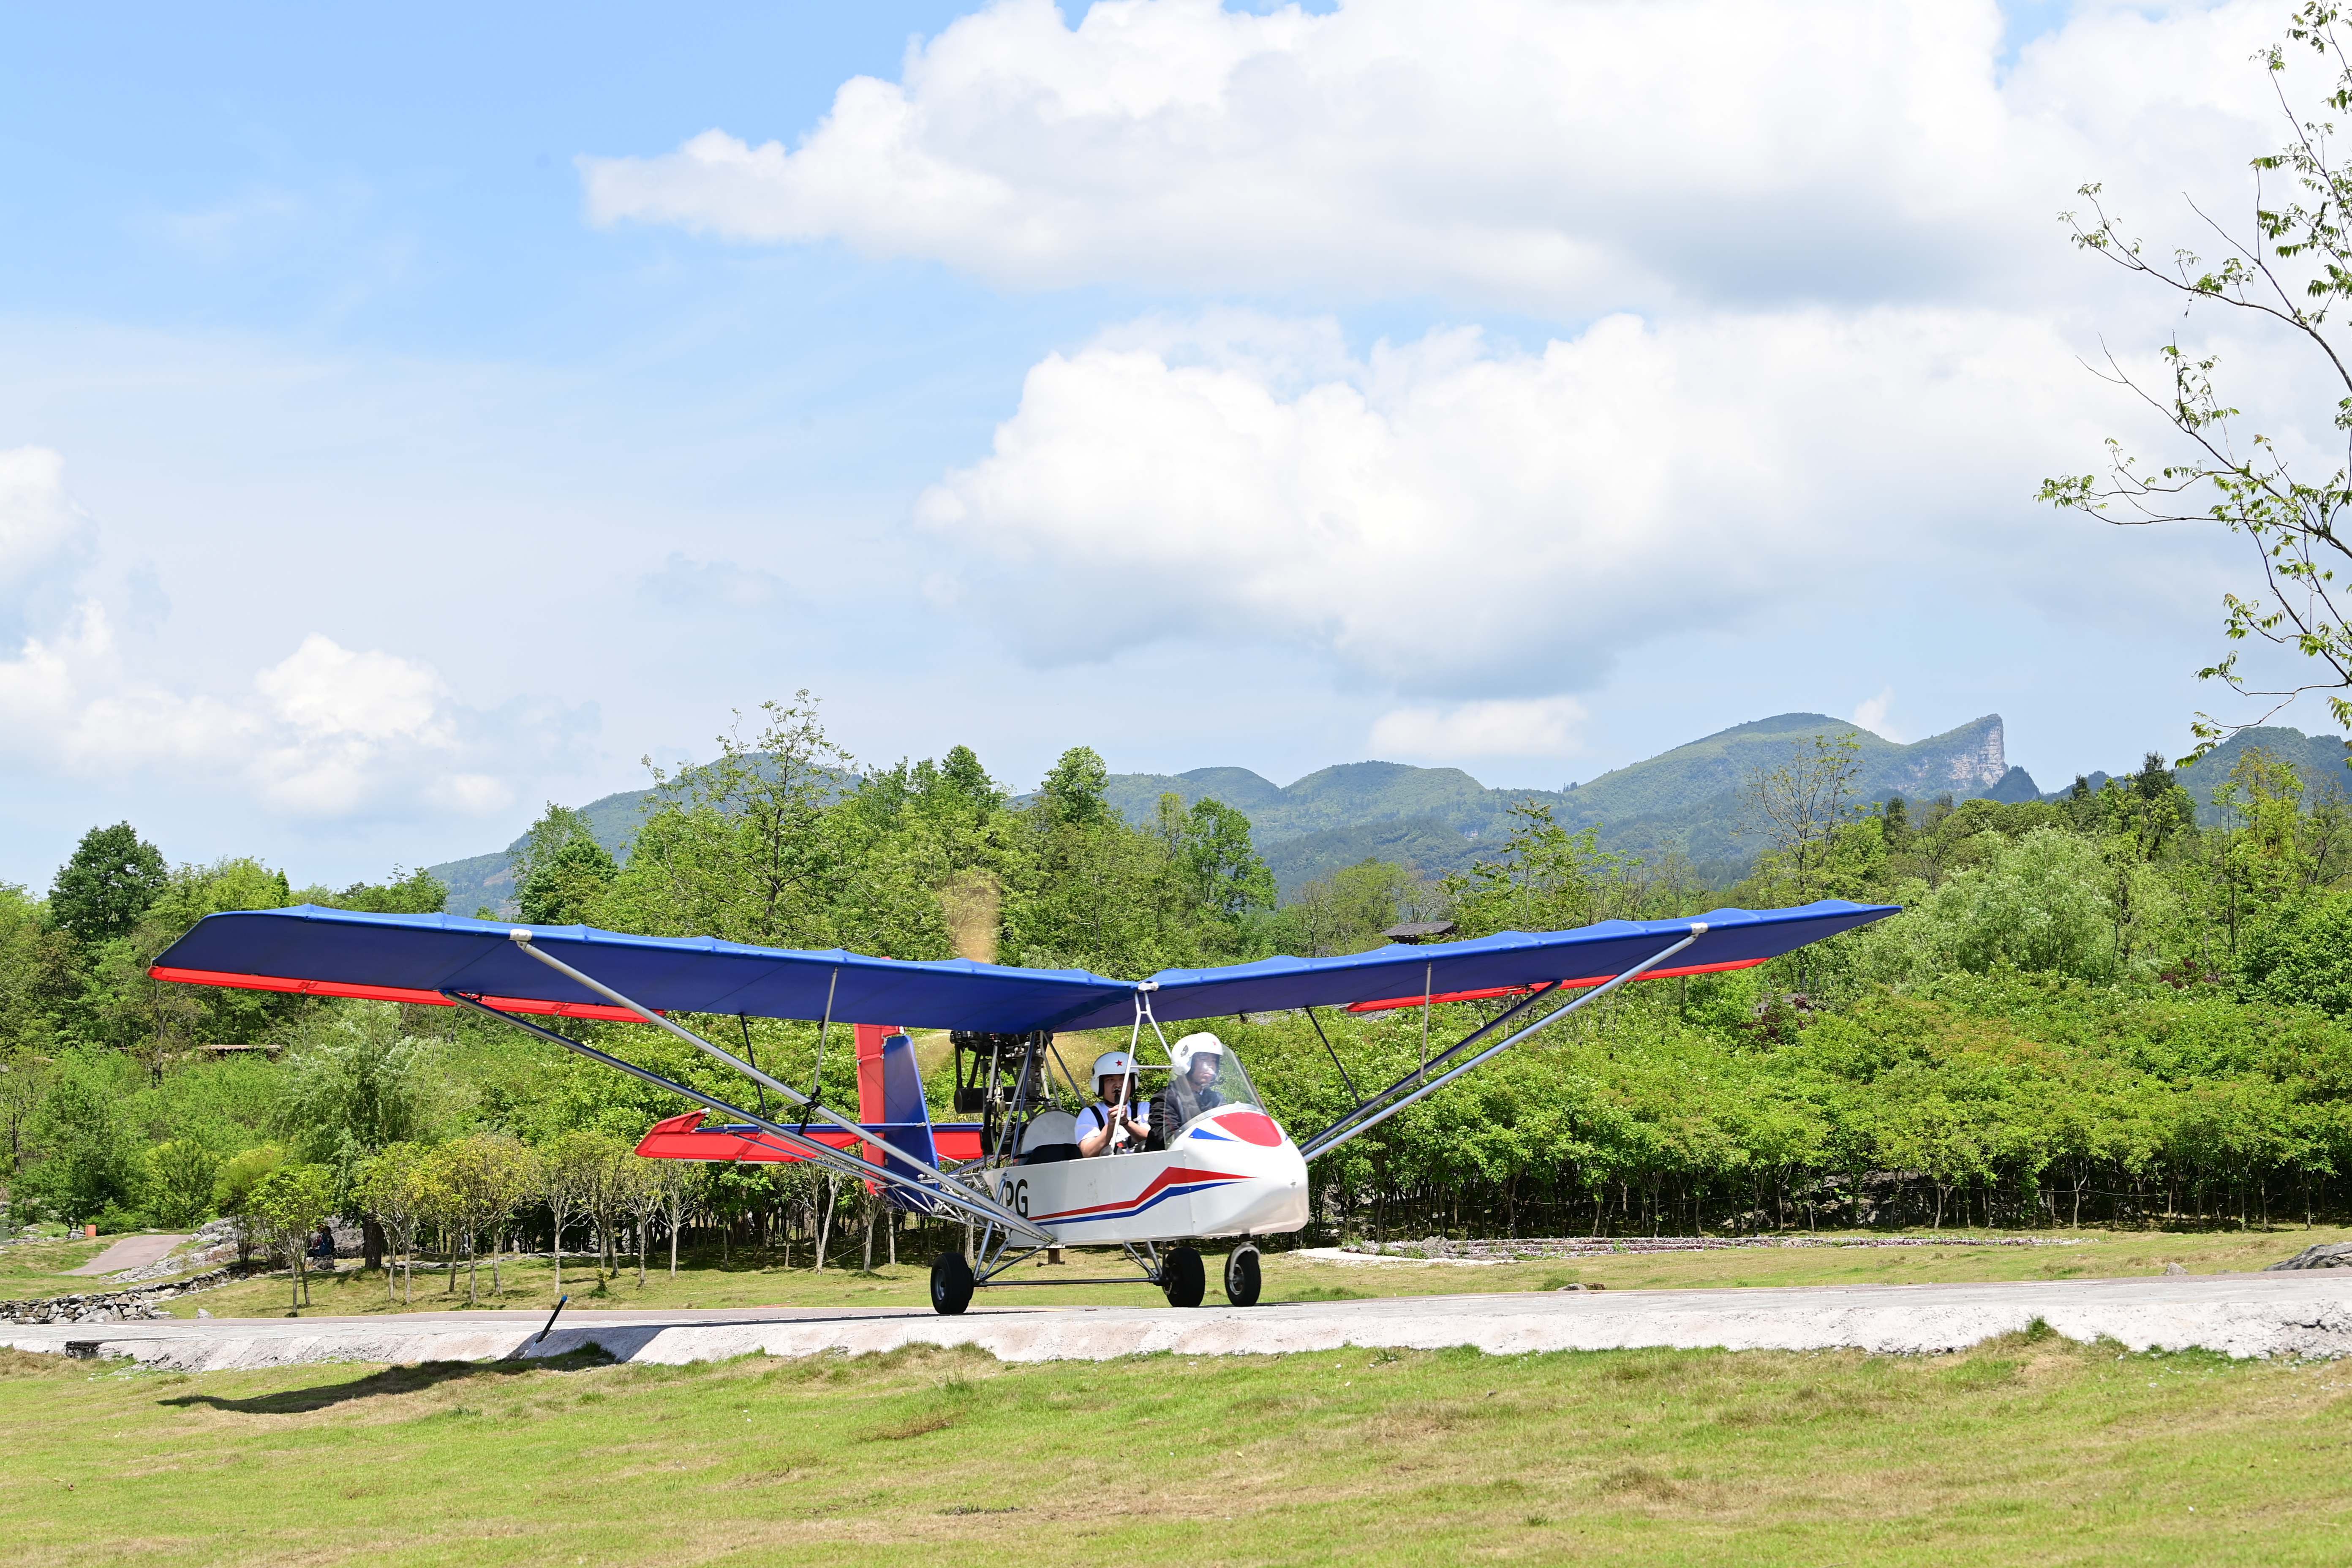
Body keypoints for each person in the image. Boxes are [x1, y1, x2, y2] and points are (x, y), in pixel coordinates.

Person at [1154, 1032, 1228, 1143]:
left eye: (1214, 1061)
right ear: (1186, 1061)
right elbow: (1168, 1138)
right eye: (1204, 1060)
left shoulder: (1216, 1098)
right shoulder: (1166, 1098)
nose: (1211, 1066)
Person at [1076, 1050, 1150, 1157]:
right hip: (1109, 1171)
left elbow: (1156, 1141)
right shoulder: (1090, 1114)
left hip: (1148, 1169)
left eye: (1123, 1079)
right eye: (1110, 1080)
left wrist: (1126, 1123)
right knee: (1109, 1152)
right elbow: (1088, 1153)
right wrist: (1111, 1125)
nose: (1118, 1085)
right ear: (1100, 1085)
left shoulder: (1144, 1109)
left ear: (1133, 1083)